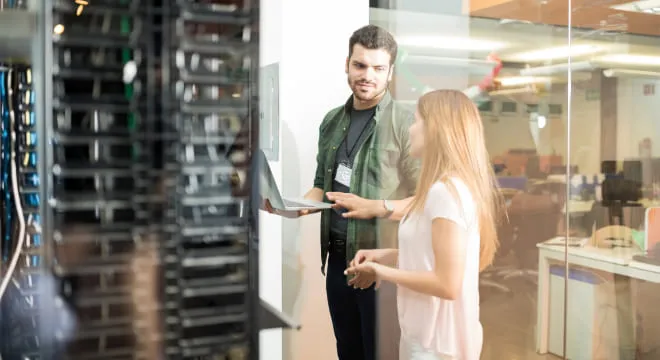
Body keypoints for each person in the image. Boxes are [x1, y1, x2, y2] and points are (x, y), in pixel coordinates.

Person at [262, 25, 502, 360]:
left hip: (390, 261)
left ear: (390, 71)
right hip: (340, 260)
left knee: (383, 351)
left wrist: (377, 207)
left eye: (378, 68)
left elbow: (426, 200)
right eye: (360, 66)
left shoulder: (409, 122)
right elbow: (322, 184)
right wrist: (295, 206)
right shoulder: (332, 122)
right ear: (347, 64)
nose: (368, 76)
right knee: (348, 350)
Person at [338, 90, 502, 360]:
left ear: (435, 129)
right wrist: (388, 257)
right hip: (424, 335)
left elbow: (447, 283)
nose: (410, 129)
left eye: (415, 121)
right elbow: (434, 258)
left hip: (435, 345)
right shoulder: (444, 189)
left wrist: (381, 271)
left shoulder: (446, 193)